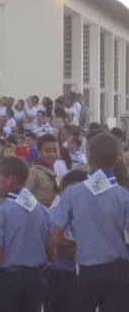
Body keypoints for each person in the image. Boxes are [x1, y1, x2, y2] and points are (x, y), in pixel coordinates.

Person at [51, 132, 129, 312]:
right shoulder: (124, 196)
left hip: (87, 270)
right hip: (118, 270)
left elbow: (56, 239)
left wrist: (80, 245)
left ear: (88, 155)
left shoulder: (72, 193)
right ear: (118, 159)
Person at [0, 156, 53, 312]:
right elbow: (50, 254)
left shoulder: (0, 212)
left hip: (8, 280)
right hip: (36, 278)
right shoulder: (43, 211)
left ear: (9, 179)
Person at [43, 170, 88, 312]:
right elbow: (63, 246)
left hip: (76, 273)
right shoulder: (58, 210)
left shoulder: (82, 210)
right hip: (59, 274)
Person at [25, 134, 60, 207]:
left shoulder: (55, 168)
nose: (52, 154)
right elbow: (25, 197)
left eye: (55, 150)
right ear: (39, 152)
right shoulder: (34, 171)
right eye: (47, 151)